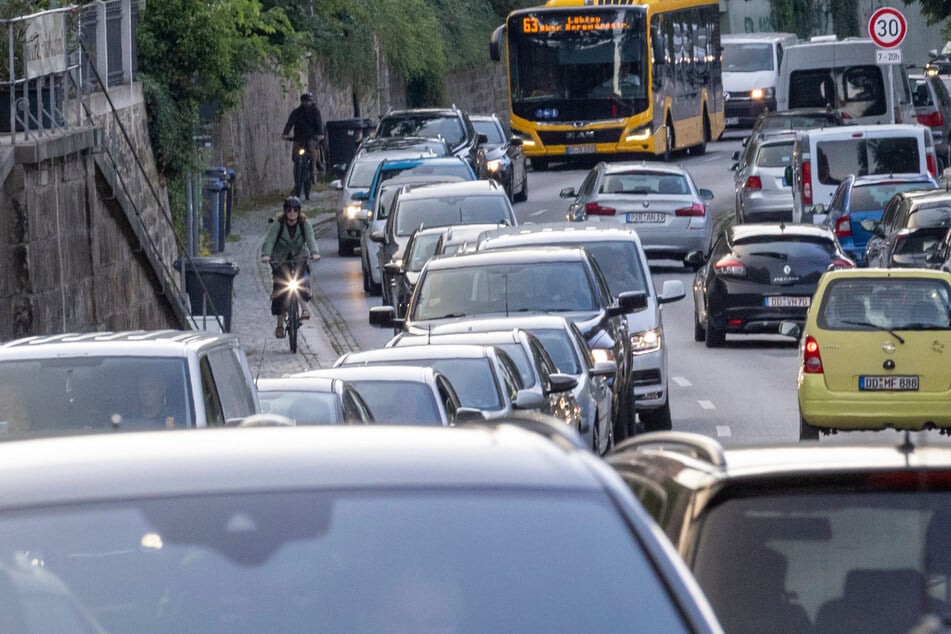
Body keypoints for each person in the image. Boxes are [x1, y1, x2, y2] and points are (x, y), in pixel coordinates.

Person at [260, 196, 321, 338]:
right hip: (280, 260)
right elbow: (269, 241)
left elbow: (311, 240)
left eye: (295, 210)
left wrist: (315, 253)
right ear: (285, 211)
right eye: (289, 210)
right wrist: (266, 255)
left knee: (301, 279)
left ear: (299, 211)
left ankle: (304, 309)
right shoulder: (278, 225)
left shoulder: (304, 224)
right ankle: (280, 325)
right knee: (280, 290)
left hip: (299, 257)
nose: (292, 212)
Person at [281, 93, 325, 191]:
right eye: (305, 101)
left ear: (311, 102)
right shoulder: (296, 112)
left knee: (312, 148)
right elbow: (290, 123)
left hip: (311, 138)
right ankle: (297, 180)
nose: (307, 103)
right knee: (295, 155)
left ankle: (313, 170)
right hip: (299, 138)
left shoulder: (315, 112)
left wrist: (319, 135)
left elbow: (319, 125)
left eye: (308, 101)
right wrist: (285, 133)